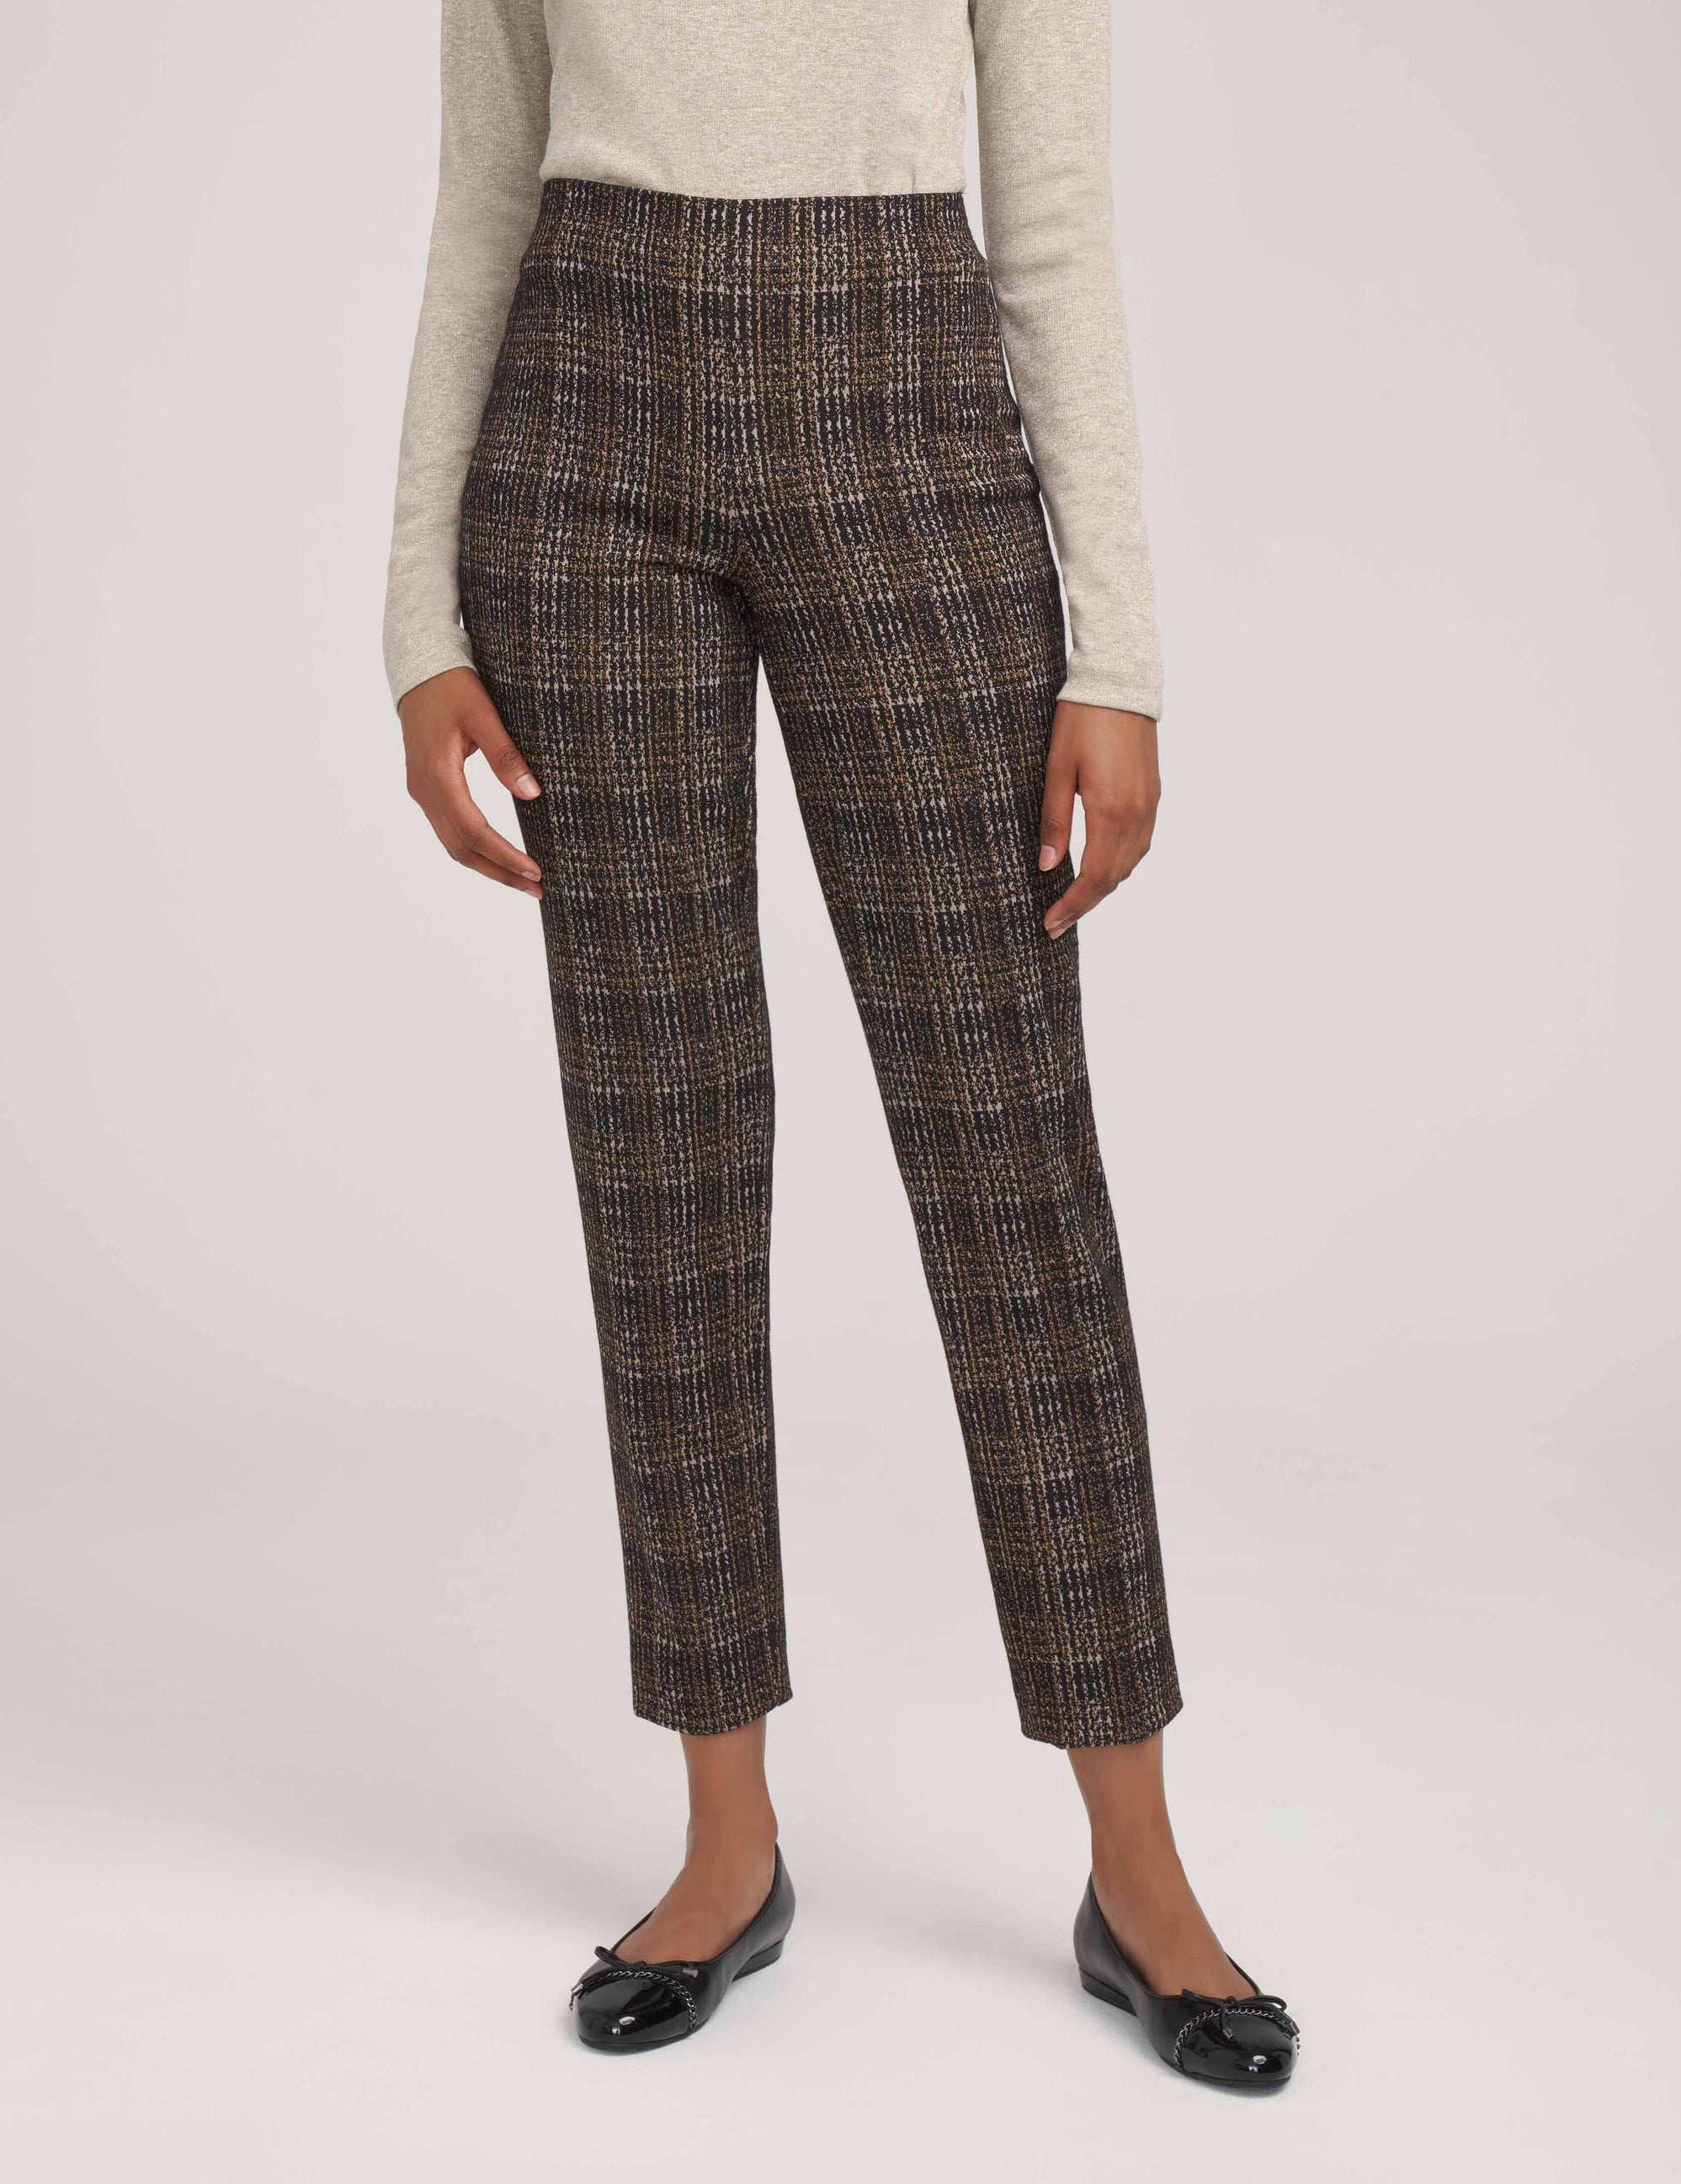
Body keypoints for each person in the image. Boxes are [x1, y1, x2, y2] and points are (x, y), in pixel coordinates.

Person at [383, 0, 1298, 2088]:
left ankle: (1139, 1866)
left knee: (1005, 1152)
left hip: (907, 425)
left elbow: (1049, 212)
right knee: (662, 1145)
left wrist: (1120, 650)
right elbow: (482, 187)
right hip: (579, 448)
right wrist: (418, 612)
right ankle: (725, 1843)